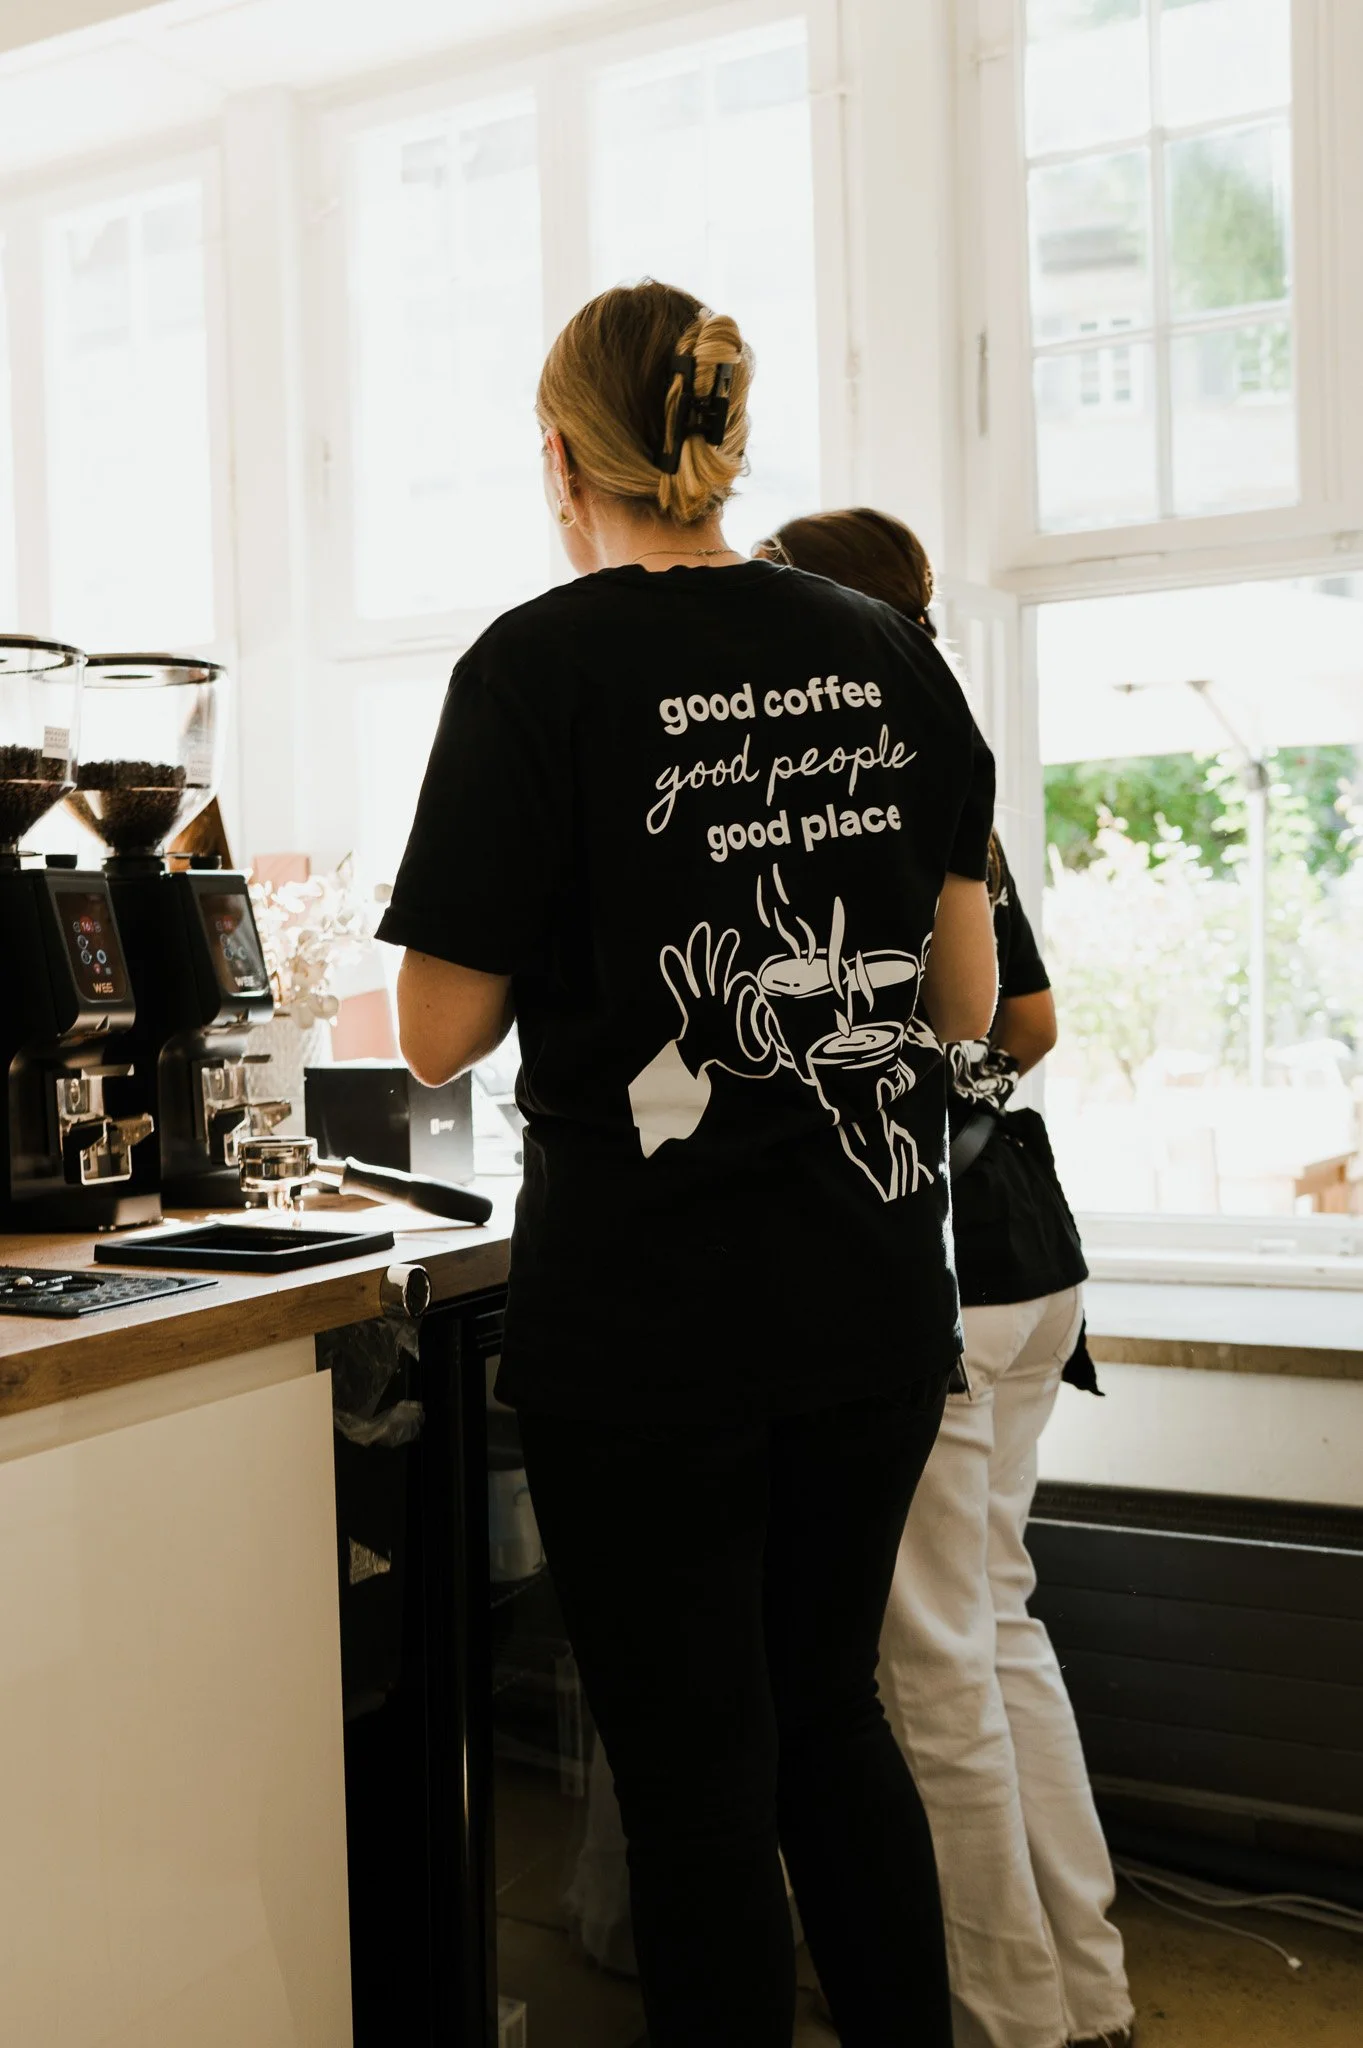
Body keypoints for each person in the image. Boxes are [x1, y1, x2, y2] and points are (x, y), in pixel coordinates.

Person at [376, 282, 999, 2048]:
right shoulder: (884, 650)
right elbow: (961, 1001)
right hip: (871, 1297)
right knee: (831, 1724)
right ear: (722, 436)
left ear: (560, 457)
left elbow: (436, 1033)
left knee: (696, 1788)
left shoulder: (534, 666)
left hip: (648, 1319)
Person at [759, 508, 1135, 2048]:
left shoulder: (839, 791)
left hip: (944, 1261)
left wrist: (889, 1079)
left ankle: (1008, 2022)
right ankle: (1089, 1996)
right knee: (998, 1625)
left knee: (926, 1672)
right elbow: (1023, 1021)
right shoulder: (943, 772)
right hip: (1031, 1249)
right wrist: (949, 1066)